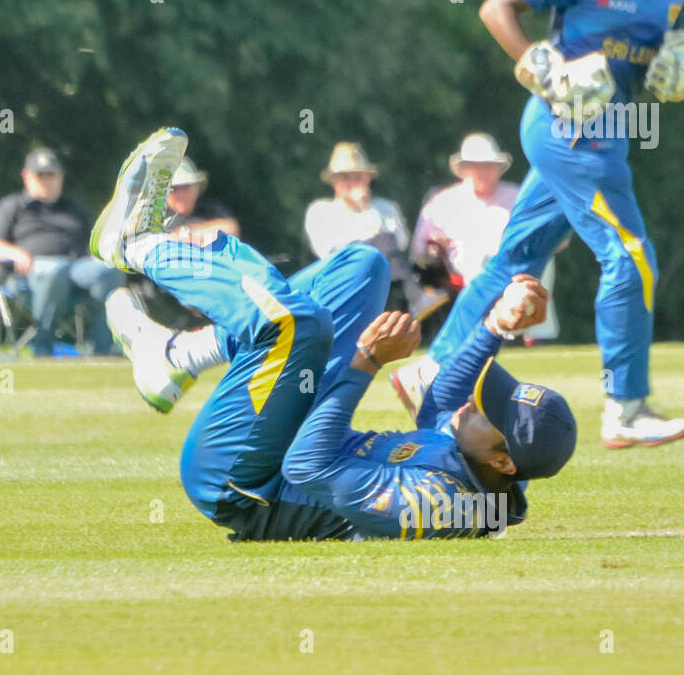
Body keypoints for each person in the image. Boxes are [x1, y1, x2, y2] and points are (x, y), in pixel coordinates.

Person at [92, 127, 576, 541]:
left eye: (487, 412)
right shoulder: (489, 463)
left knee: (295, 325)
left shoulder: (446, 503)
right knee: (363, 266)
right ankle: (180, 354)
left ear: (505, 462)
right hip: (287, 440)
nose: (473, 404)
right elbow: (444, 395)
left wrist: (366, 360)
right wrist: (495, 325)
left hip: (241, 480)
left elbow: (308, 468)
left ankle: (141, 245)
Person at [392, 0, 684, 448]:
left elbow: (662, 58)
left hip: (612, 130)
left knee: (518, 257)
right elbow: (495, 9)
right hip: (569, 128)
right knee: (631, 256)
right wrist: (544, 66)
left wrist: (670, 72)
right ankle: (626, 405)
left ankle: (433, 373)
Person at [410, 131, 561, 342]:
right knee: (480, 257)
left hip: (516, 265)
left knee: (544, 260)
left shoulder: (518, 197)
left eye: (488, 165)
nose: (482, 172)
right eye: (475, 166)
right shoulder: (442, 203)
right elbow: (419, 251)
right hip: (464, 270)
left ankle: (538, 336)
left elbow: (554, 238)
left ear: (498, 169)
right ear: (463, 170)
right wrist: (435, 246)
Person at [0, 148, 124, 356]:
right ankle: (43, 347)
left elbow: (95, 246)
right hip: (28, 276)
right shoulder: (11, 206)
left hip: (75, 270)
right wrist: (16, 254)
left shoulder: (75, 209)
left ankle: (104, 349)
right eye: (41, 176)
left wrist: (102, 255)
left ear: (61, 176)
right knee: (53, 270)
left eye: (52, 176)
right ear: (26, 176)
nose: (47, 181)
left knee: (109, 270)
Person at [305, 141, 444, 320]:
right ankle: (416, 297)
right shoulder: (321, 210)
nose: (352, 183)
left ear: (367, 178)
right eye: (345, 177)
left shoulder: (385, 208)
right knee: (384, 240)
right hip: (343, 272)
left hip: (384, 272)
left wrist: (366, 209)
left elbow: (401, 242)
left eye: (357, 177)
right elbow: (325, 248)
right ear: (334, 181)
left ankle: (412, 301)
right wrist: (368, 234)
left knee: (387, 242)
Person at [163, 157, 239, 245]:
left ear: (196, 189)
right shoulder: (158, 219)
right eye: (174, 189)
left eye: (186, 186)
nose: (181, 193)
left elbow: (231, 228)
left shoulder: (208, 210)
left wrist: (188, 233)